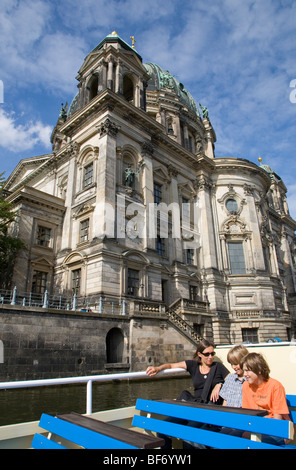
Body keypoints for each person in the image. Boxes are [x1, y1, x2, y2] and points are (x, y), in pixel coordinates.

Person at [146, 339, 229, 448]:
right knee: (162, 428)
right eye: (207, 354)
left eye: (212, 354)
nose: (210, 357)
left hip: (208, 411)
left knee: (187, 436)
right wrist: (158, 368)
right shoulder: (193, 365)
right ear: (199, 354)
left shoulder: (218, 367)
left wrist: (220, 384)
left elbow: (233, 382)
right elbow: (171, 366)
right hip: (193, 407)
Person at [241, 352, 291, 446]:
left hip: (279, 431)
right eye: (244, 371)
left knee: (249, 440)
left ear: (259, 370)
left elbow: (277, 422)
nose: (244, 374)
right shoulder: (245, 386)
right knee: (227, 436)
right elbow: (247, 413)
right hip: (256, 427)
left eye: (247, 371)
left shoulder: (275, 386)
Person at [219, 345, 249, 438]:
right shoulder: (230, 378)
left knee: (231, 437)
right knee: (220, 437)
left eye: (236, 364)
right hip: (229, 421)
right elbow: (225, 401)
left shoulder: (250, 379)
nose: (233, 367)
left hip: (243, 422)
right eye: (231, 364)